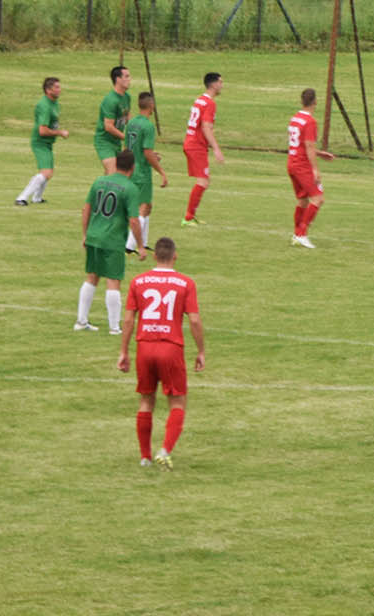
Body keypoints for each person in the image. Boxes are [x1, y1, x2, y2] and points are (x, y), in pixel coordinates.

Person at [117, 237, 204, 470]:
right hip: (170, 347)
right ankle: (164, 450)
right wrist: (201, 351)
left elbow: (128, 319)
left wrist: (123, 351)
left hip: (145, 346)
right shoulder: (186, 283)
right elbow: (194, 320)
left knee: (146, 400)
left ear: (155, 256)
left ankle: (145, 457)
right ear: (175, 256)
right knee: (177, 401)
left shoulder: (138, 281)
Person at [77, 150, 146, 335]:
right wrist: (140, 245)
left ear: (116, 164)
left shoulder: (99, 181)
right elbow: (134, 221)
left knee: (92, 277)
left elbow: (86, 209)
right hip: (112, 240)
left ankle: (81, 321)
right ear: (132, 167)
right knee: (113, 280)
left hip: (93, 235)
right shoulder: (130, 188)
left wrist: (85, 234)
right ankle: (114, 327)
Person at [286, 88, 337, 249]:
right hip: (303, 166)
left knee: (303, 200)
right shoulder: (310, 122)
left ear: (302, 101)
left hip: (292, 163)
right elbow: (308, 146)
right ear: (315, 101)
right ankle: (302, 234)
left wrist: (320, 153)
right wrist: (315, 170)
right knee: (318, 199)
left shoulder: (295, 118)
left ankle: (296, 234)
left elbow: (300, 145)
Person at [121, 92, 167, 252]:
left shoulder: (131, 123)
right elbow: (147, 152)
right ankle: (129, 245)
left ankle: (144, 242)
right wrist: (161, 171)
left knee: (148, 206)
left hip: (131, 167)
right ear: (151, 105)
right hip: (142, 171)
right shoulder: (148, 126)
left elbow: (128, 147)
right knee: (142, 207)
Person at [181, 73, 226, 226]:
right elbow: (206, 127)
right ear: (213, 84)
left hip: (191, 142)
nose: (222, 85)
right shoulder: (210, 103)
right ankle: (188, 218)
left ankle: (190, 216)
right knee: (203, 181)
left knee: (204, 180)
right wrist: (216, 149)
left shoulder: (200, 100)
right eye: (220, 82)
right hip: (196, 145)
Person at [17, 77, 69, 206]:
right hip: (40, 143)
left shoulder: (54, 103)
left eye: (59, 87)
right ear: (48, 90)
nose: (59, 89)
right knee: (47, 172)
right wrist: (60, 133)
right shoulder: (44, 106)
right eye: (56, 87)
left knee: (48, 171)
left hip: (48, 143)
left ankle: (37, 198)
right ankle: (22, 197)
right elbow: (42, 131)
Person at [94, 65, 132, 173]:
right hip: (105, 142)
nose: (130, 79)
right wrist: (126, 138)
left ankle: (101, 185)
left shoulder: (126, 97)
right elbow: (108, 127)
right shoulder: (110, 100)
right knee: (113, 173)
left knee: (115, 174)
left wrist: (136, 133)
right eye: (126, 76)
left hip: (116, 142)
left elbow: (128, 119)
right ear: (118, 79)